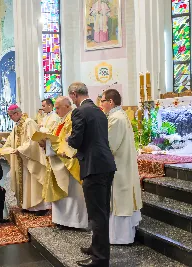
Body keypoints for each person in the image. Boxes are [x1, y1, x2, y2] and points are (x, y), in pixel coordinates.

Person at [66, 82, 116, 267]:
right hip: (106, 164)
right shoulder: (99, 111)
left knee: (97, 215)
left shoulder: (79, 111)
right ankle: (97, 249)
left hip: (93, 167)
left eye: (71, 97)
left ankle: (100, 260)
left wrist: (68, 139)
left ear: (73, 94)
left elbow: (77, 140)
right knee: (102, 212)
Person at [100, 89, 143, 244]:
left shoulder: (116, 119)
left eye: (102, 101)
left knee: (119, 200)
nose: (101, 104)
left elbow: (109, 145)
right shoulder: (119, 115)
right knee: (120, 199)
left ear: (110, 102)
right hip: (121, 164)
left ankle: (120, 237)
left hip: (118, 166)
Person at [40, 96, 88, 230]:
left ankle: (74, 222)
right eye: (55, 108)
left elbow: (70, 141)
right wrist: (45, 143)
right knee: (62, 194)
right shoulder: (60, 121)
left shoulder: (73, 119)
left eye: (58, 107)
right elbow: (56, 139)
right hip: (58, 161)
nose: (55, 110)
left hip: (69, 163)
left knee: (72, 193)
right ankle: (62, 220)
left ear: (67, 106)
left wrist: (48, 144)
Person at [2, 104, 49, 215]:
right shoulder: (17, 125)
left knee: (33, 182)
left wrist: (20, 149)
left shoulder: (29, 122)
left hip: (30, 158)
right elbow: (10, 140)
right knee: (25, 183)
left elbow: (33, 141)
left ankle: (40, 207)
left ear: (17, 113)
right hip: (22, 159)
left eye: (10, 116)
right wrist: (2, 151)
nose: (10, 118)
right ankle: (27, 205)